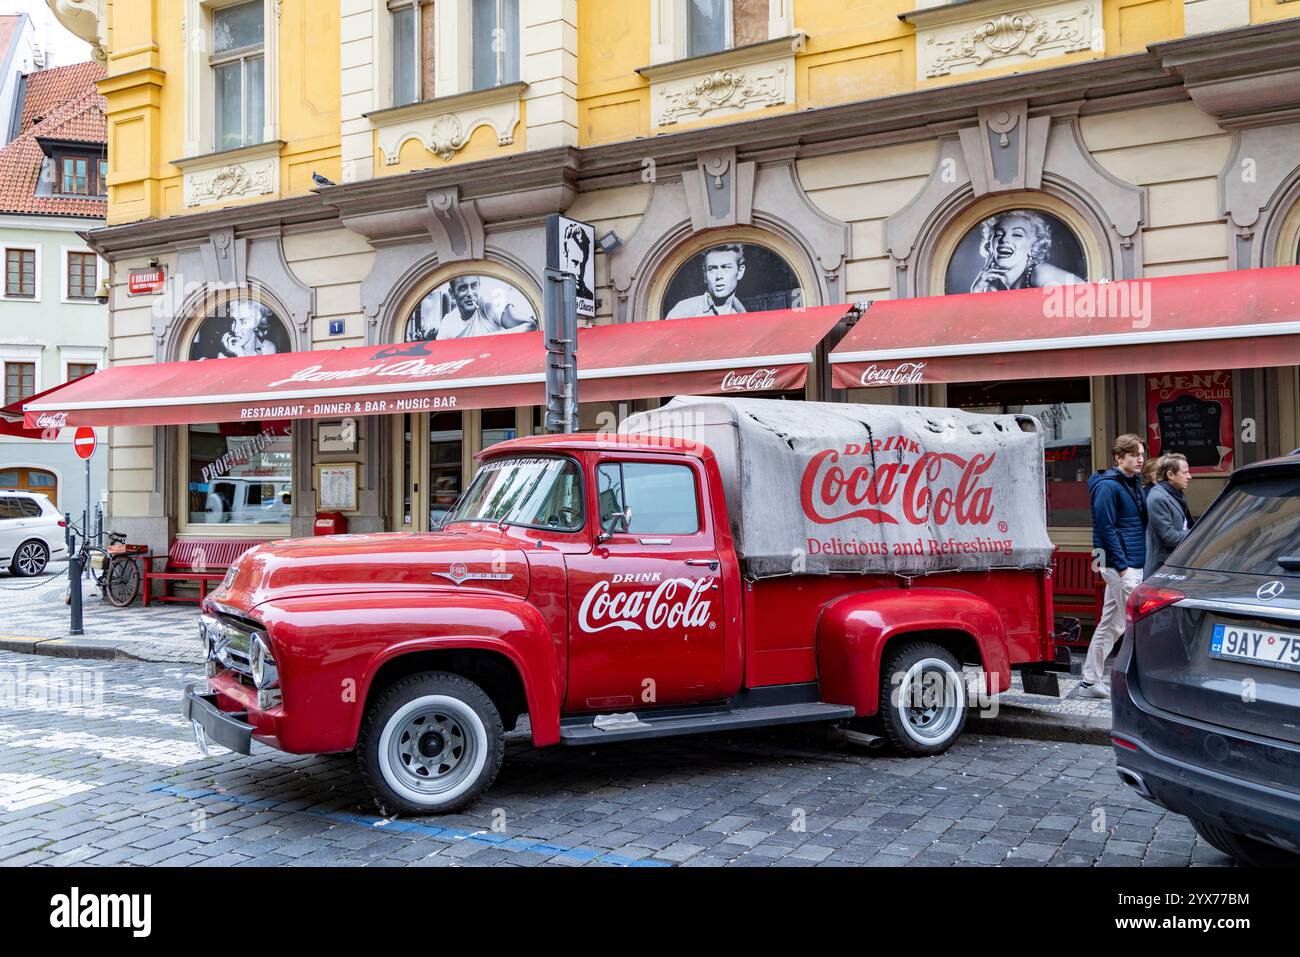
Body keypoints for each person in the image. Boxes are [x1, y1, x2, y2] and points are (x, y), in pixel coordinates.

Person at [1079, 433, 1147, 699]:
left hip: (1130, 562)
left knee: (1112, 625)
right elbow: (1105, 528)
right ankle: (1140, 683)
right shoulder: (1109, 486)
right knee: (1137, 625)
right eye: (1134, 455)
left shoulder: (1131, 483)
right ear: (1119, 457)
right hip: (1122, 564)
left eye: (1142, 454)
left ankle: (1089, 681)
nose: (1140, 459)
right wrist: (1121, 567)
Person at [969, 211, 1085, 292]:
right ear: (990, 244)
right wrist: (976, 290)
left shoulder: (1041, 273)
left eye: (1017, 234)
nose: (1004, 239)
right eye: (998, 234)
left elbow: (1090, 296)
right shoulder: (993, 285)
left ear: (1034, 245)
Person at [434, 276, 537, 339]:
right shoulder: (448, 322)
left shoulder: (490, 306)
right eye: (463, 288)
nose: (470, 293)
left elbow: (530, 325)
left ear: (479, 285)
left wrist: (489, 339)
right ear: (452, 294)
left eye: (474, 286)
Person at [664, 245, 748, 319]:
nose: (719, 276)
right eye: (713, 269)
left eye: (725, 267)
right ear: (705, 274)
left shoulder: (745, 314)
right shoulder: (683, 311)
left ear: (740, 272)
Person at [1144, 452, 1193, 578]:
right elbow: (1169, 537)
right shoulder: (1158, 498)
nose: (1189, 476)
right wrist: (1197, 533)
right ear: (1170, 475)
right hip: (1161, 569)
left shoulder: (1176, 494)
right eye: (1185, 473)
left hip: (1176, 565)